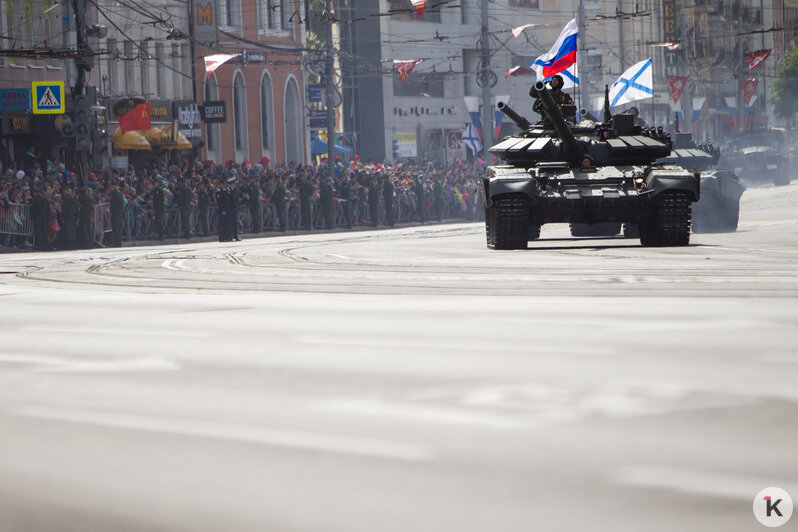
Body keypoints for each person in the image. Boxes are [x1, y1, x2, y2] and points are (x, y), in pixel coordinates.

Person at [30, 185, 50, 251]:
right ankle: (46, 245)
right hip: (44, 217)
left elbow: (32, 209)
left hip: (37, 217)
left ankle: (39, 245)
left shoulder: (34, 200)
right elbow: (48, 209)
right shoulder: (45, 199)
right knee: (44, 231)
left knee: (38, 231)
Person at [61, 183, 78, 250]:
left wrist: (63, 216)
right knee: (72, 230)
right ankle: (73, 243)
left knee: (69, 230)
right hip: (73, 215)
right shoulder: (72, 198)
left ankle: (70, 244)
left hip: (68, 215)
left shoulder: (66, 198)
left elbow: (64, 208)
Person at [109, 180, 124, 247]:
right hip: (119, 211)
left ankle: (116, 242)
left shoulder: (114, 193)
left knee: (115, 227)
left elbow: (113, 204)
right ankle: (118, 242)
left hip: (115, 212)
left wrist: (111, 211)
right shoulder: (119, 193)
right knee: (118, 227)